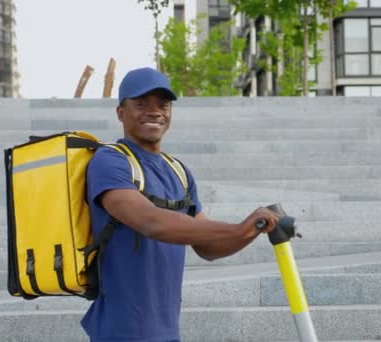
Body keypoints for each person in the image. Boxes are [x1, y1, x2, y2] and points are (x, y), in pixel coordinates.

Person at [81, 67, 279, 342]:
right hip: (121, 331)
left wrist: (252, 229)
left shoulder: (179, 171)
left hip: (167, 331)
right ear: (120, 113)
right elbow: (150, 221)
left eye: (162, 104)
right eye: (141, 104)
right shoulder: (109, 161)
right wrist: (236, 228)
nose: (154, 111)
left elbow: (207, 247)